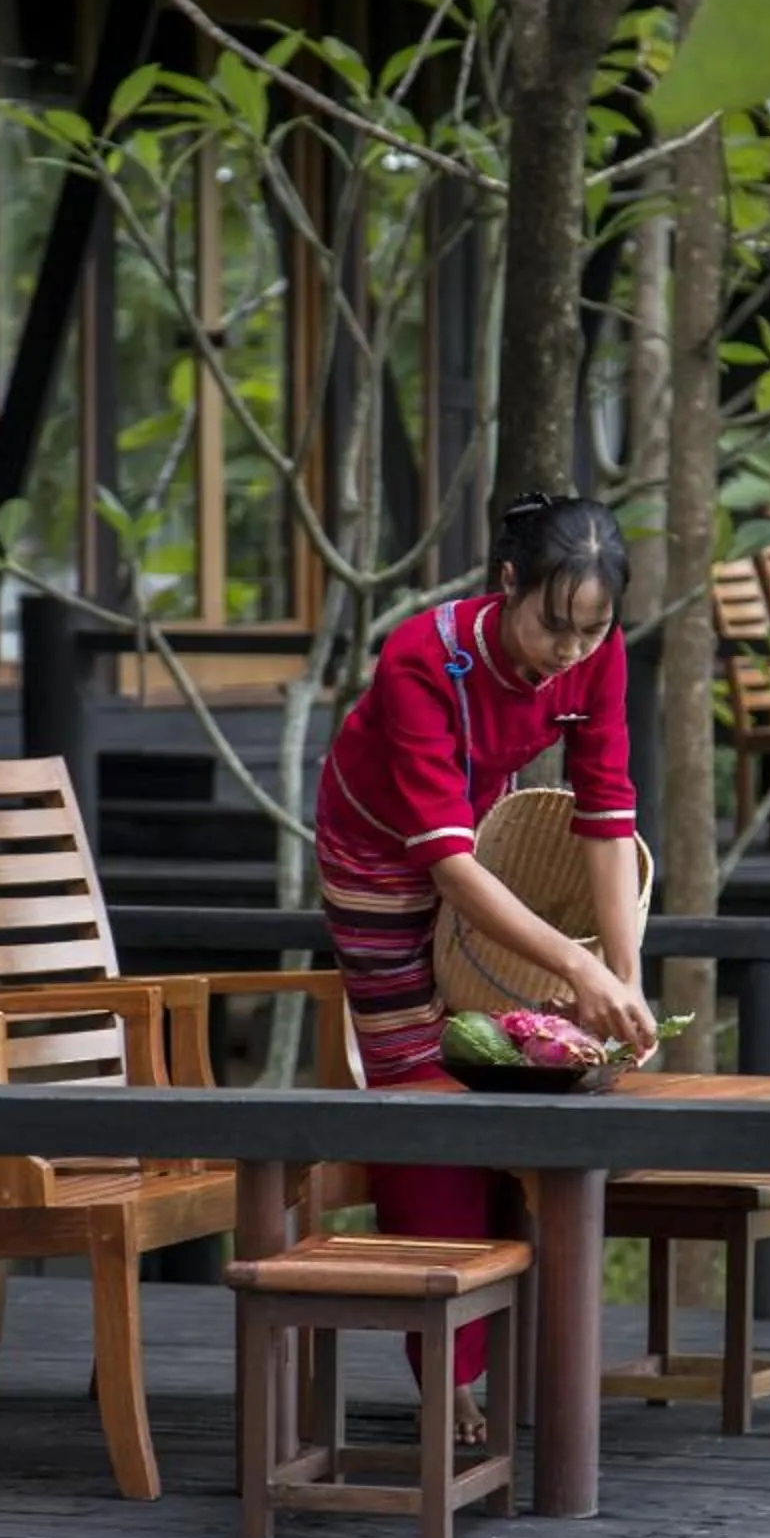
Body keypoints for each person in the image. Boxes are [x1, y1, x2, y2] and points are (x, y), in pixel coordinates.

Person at [315, 491, 655, 1439]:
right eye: (555, 624)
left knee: (513, 1064)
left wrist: (620, 974)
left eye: (594, 629)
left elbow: (608, 812)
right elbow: (447, 867)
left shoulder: (600, 653)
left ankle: (522, 1341)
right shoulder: (424, 657)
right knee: (421, 1084)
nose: (573, 651)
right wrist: (578, 971)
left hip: (483, 838)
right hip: (383, 852)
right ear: (507, 585)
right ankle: (448, 1372)